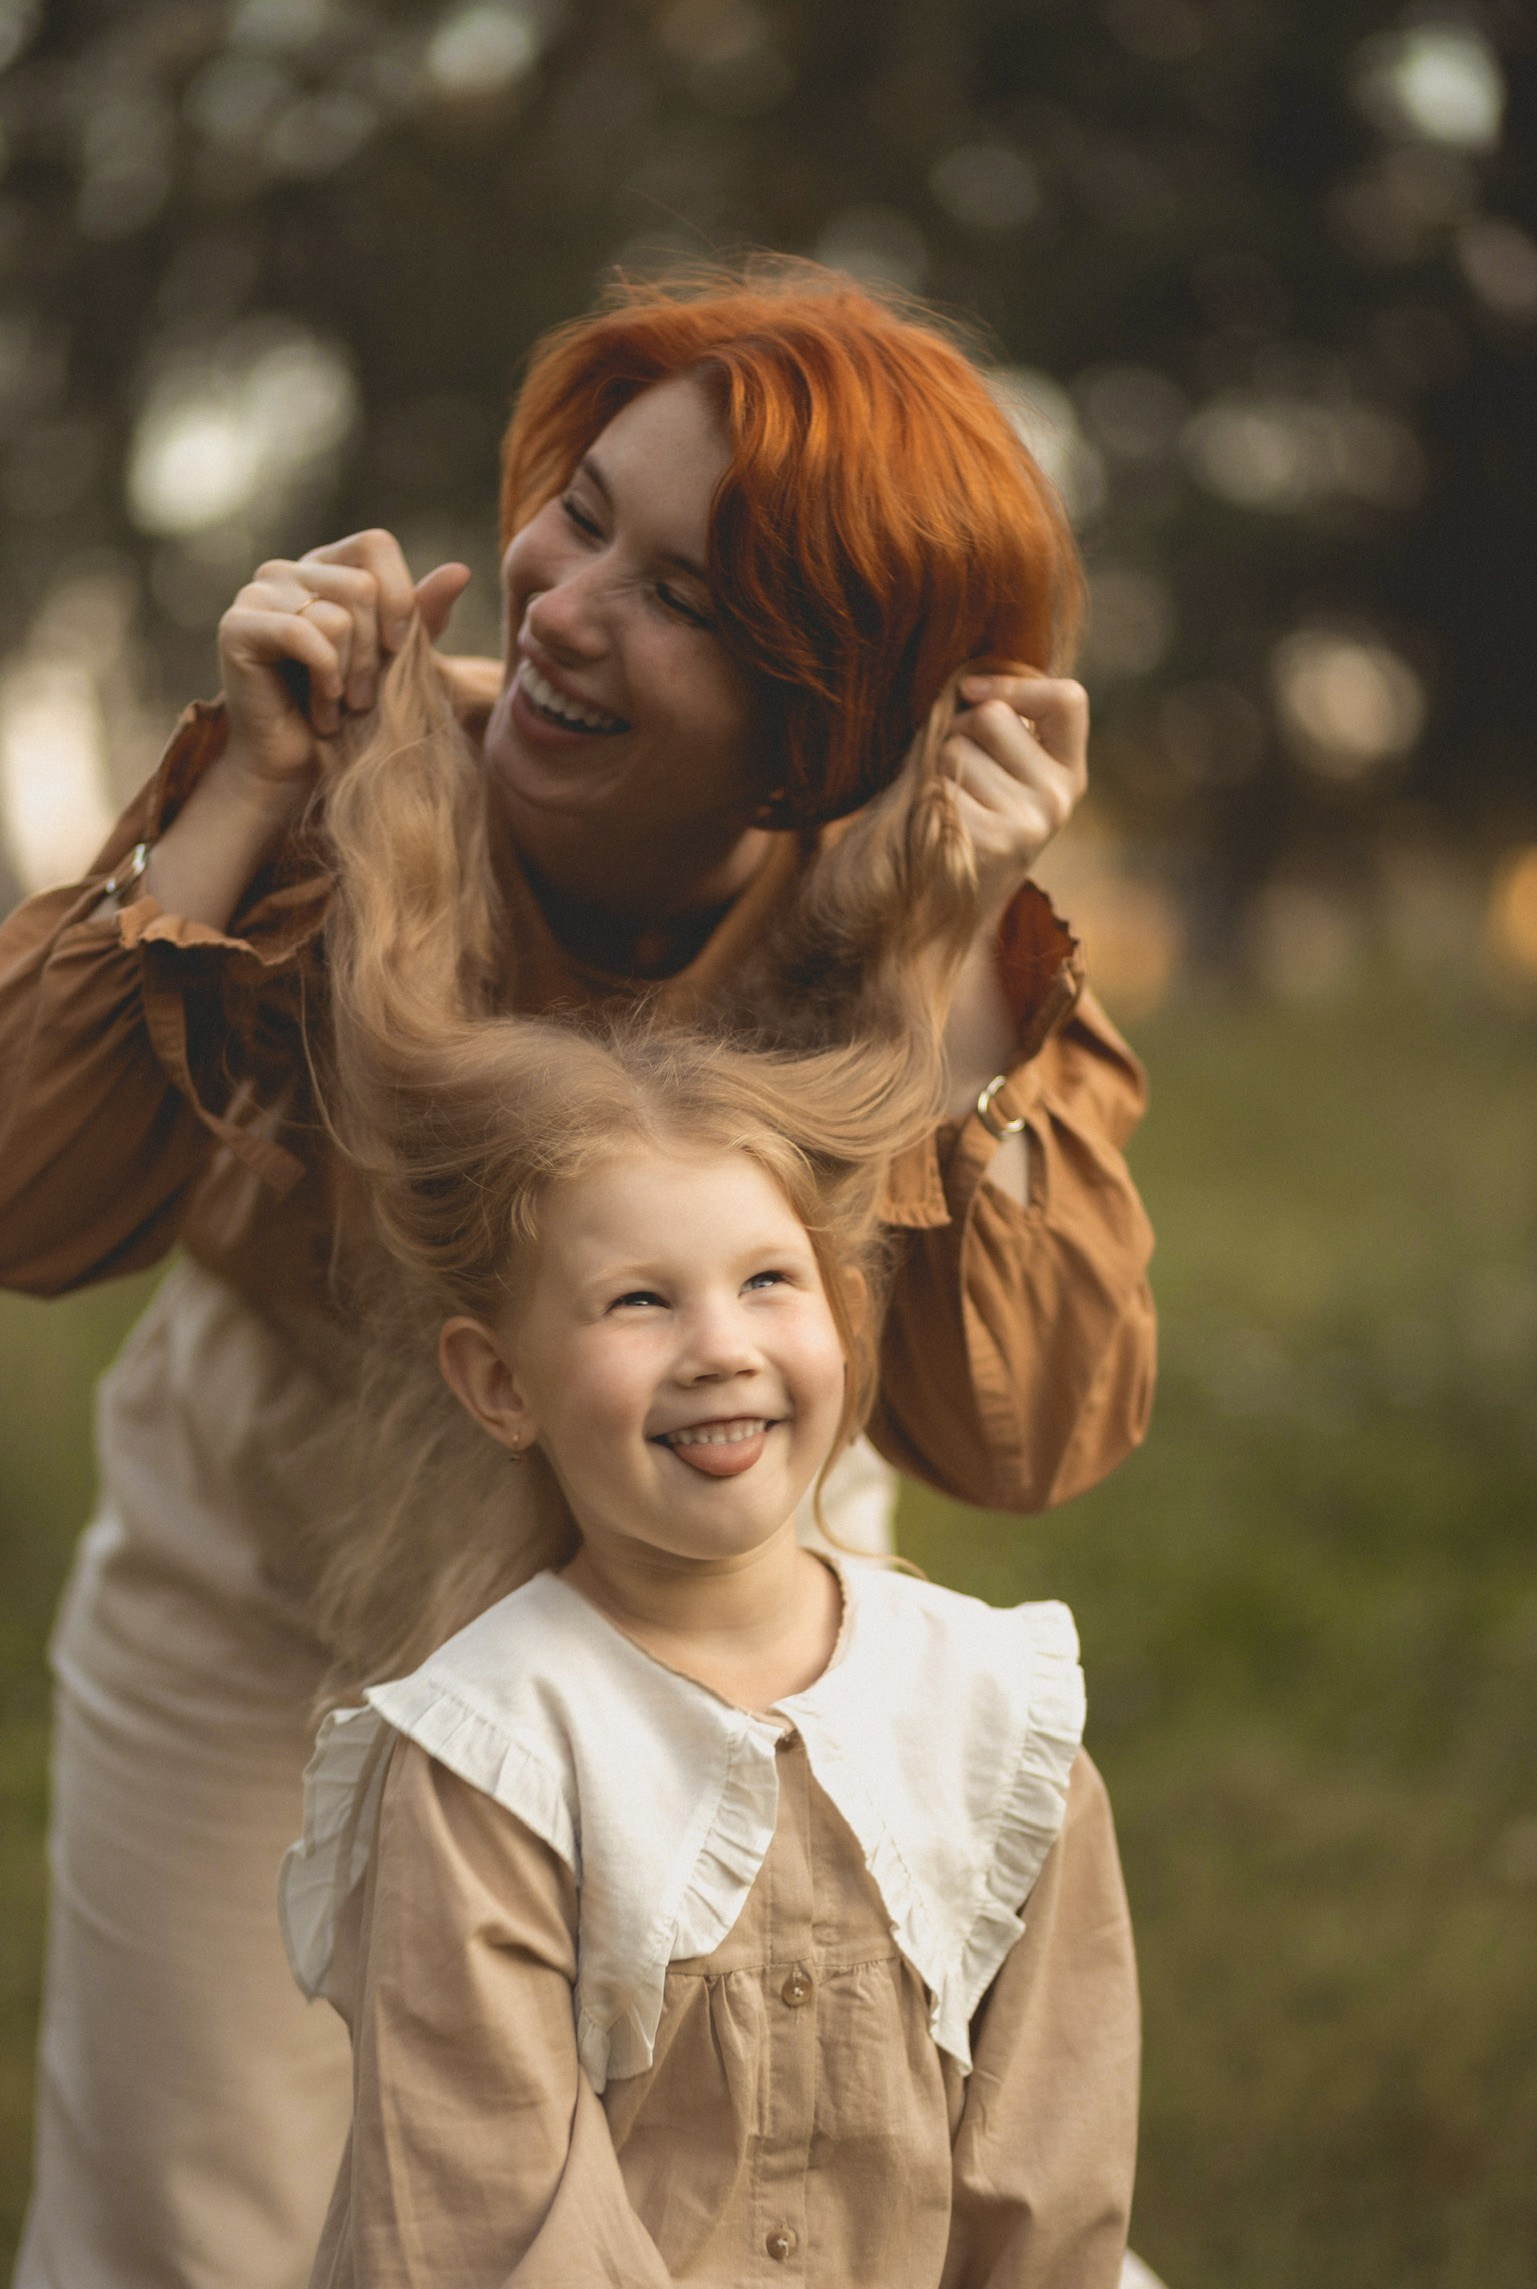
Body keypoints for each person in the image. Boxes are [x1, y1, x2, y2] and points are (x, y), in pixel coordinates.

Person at [0, 266, 1153, 2289]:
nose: (561, 599)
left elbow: (1026, 1440)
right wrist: (242, 793)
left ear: (834, 719)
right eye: (587, 513)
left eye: (690, 597)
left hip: (732, 1616)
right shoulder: (333, 786)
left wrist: (954, 978)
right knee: (201, 2231)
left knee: (744, 2219)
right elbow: (21, 1206)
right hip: (278, 1581)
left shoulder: (908, 926)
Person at [277, 617, 1139, 2286]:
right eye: (633, 1303)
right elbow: (487, 2218)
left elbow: (1050, 2174)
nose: (720, 1345)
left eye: (765, 1282)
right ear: (498, 1381)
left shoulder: (994, 1711)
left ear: (839, 1311)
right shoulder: (486, 1760)